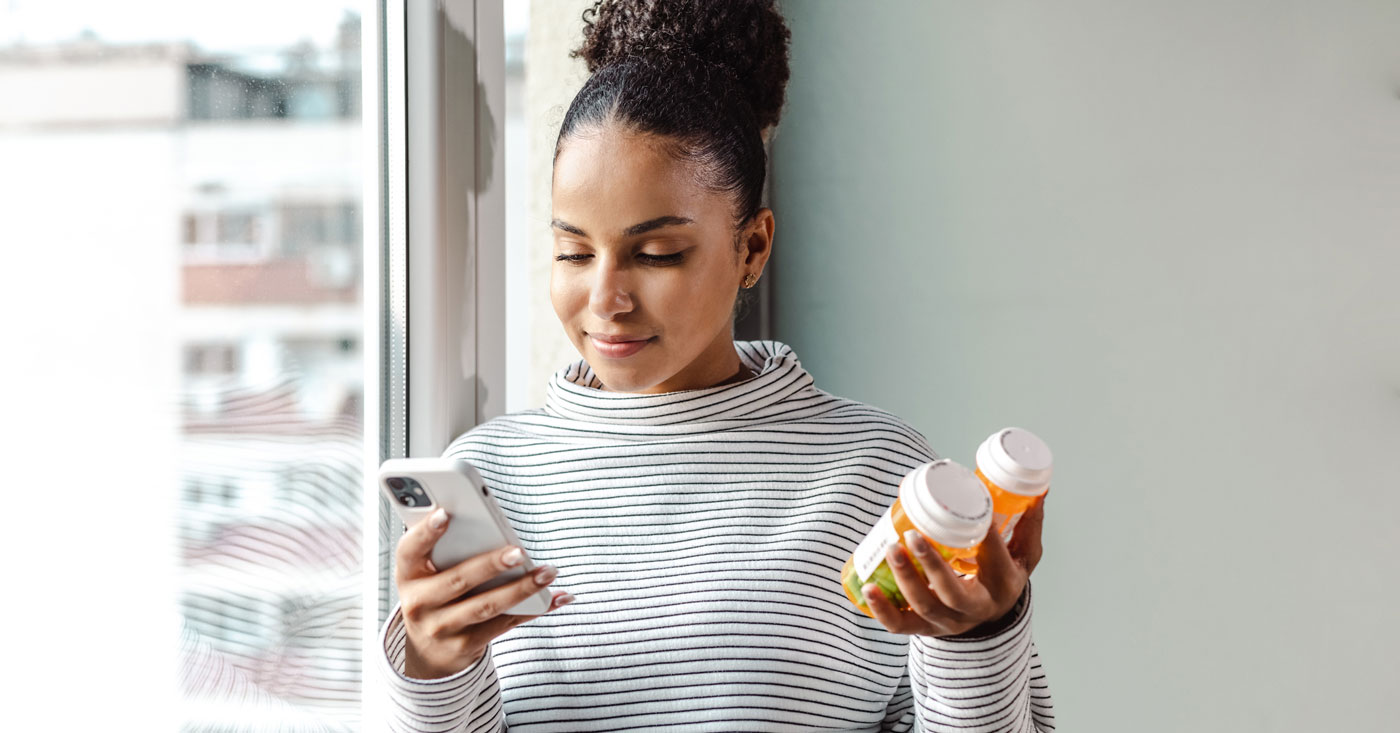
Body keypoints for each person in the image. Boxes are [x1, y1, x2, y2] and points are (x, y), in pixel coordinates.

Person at [375, 1, 1055, 730]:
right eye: (573, 251)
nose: (605, 299)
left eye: (656, 254)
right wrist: (432, 672)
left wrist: (977, 642)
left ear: (752, 247)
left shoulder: (877, 475)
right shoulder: (487, 479)